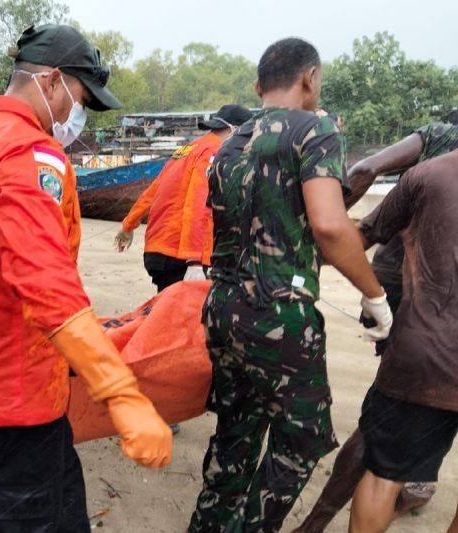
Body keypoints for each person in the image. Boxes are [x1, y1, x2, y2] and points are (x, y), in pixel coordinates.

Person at [0, 24, 172, 532]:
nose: (74, 116)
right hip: (11, 390)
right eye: (79, 98)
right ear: (53, 81)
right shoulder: (27, 154)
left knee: (37, 501)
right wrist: (120, 392)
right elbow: (45, 283)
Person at [188, 37, 392, 532]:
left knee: (237, 428)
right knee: (303, 438)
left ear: (259, 86)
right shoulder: (314, 129)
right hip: (278, 316)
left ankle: (209, 525)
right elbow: (329, 224)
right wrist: (375, 296)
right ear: (310, 78)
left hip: (223, 306)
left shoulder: (229, 142)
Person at [294, 120, 458, 532]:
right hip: (427, 341)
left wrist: (299, 248)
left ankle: (317, 522)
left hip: (426, 348)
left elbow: (361, 228)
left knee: (385, 466)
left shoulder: (430, 168)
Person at [348, 149, 458, 532]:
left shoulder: (428, 174)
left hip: (424, 355)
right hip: (428, 355)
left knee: (383, 475)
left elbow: (357, 237)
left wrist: (371, 291)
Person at [114, 104, 253, 289]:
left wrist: (128, 225)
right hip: (179, 253)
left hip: (158, 248)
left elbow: (153, 191)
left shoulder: (189, 148)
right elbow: (199, 204)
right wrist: (194, 261)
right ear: (235, 130)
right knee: (183, 315)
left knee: (167, 310)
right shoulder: (215, 153)